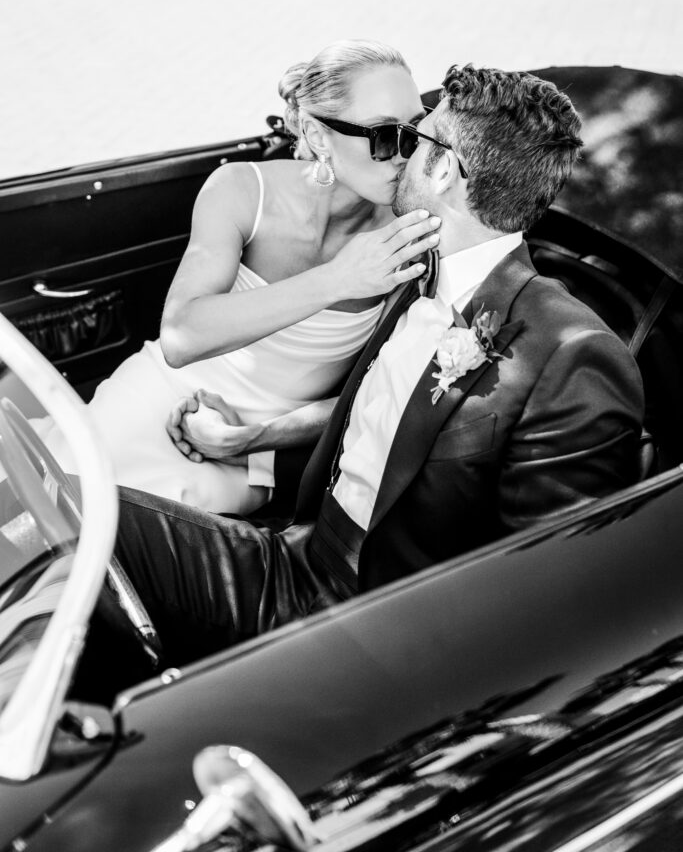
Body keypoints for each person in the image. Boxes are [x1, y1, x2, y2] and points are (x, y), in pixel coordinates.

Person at [113, 64, 645, 667]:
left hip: (376, 639)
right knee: (73, 516)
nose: (401, 155)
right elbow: (383, 423)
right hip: (293, 559)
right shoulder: (411, 266)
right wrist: (255, 439)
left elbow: (552, 591)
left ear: (443, 169)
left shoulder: (571, 355)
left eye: (417, 139)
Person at [34, 39, 440, 515]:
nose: (404, 154)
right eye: (383, 134)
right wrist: (339, 279)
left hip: (259, 449)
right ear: (318, 133)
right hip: (162, 392)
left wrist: (251, 440)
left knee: (126, 536)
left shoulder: (411, 239)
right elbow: (181, 338)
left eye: (415, 131)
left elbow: (388, 391)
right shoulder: (242, 190)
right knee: (58, 499)